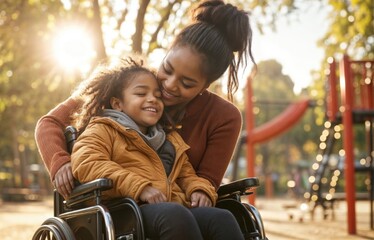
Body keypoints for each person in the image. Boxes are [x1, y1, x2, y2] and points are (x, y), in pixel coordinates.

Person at [35, 0, 255, 200]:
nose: (169, 85)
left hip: (179, 211)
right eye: (167, 69)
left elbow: (205, 182)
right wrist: (60, 161)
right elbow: (49, 123)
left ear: (206, 85)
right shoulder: (128, 85)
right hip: (121, 204)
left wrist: (199, 191)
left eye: (186, 83)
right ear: (167, 53)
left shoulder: (224, 117)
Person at [70, 57, 244, 239]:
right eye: (141, 94)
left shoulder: (169, 139)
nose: (152, 99)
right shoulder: (104, 129)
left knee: (221, 217)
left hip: (171, 208)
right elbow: (87, 162)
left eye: (157, 96)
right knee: (176, 215)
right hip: (124, 209)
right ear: (117, 104)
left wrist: (198, 189)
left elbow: (186, 174)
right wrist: (139, 187)